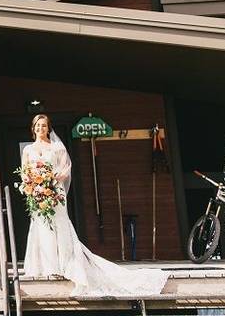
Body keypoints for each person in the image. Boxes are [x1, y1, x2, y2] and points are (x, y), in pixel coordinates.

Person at [22, 113, 167, 296]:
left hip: (55, 194)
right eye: (37, 126)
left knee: (59, 226)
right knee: (41, 228)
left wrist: (53, 179)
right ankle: (43, 266)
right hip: (37, 195)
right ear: (33, 128)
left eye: (43, 126)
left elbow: (66, 169)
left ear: (48, 128)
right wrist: (33, 186)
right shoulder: (28, 150)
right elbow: (25, 173)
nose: (40, 129)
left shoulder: (56, 147)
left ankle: (62, 265)